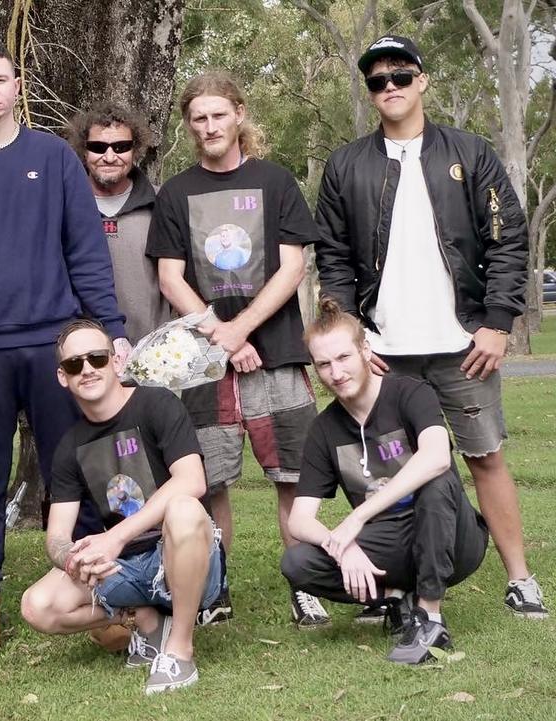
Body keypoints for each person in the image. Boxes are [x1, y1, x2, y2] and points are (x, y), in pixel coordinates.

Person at [314, 35, 547, 619]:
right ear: (370, 93)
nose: (389, 87)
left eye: (400, 75)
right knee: (388, 469)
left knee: (484, 456)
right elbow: (335, 258)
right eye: (377, 80)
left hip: (461, 345)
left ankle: (519, 578)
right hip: (383, 352)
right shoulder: (346, 164)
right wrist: (350, 338)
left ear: (422, 80)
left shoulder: (471, 153)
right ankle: (392, 587)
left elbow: (508, 240)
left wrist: (497, 323)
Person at [0, 40, 129, 661]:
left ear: (17, 86)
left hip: (57, 346)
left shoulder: (55, 159)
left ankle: (94, 599)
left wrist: (109, 330)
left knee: (79, 470)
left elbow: (86, 251)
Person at [146, 70, 326, 629]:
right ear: (189, 125)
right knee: (211, 481)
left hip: (276, 354)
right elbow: (171, 279)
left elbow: (293, 265)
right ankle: (215, 589)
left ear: (239, 114)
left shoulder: (275, 182)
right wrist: (221, 337)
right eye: (198, 118)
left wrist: (242, 330)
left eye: (218, 114)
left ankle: (304, 581)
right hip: (205, 366)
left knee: (292, 476)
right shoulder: (177, 192)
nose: (209, 126)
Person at [19, 319, 222, 695]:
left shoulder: (156, 402)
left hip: (181, 551)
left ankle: (179, 650)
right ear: (62, 376)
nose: (88, 369)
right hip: (125, 566)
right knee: (38, 605)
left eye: (96, 358)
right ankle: (146, 621)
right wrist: (72, 558)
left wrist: (113, 538)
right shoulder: (69, 446)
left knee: (183, 509)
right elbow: (57, 535)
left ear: (115, 361)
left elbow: (192, 481)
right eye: (74, 364)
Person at [281, 299, 489, 663]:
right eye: (324, 364)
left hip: (452, 535)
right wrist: (343, 548)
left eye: (343, 357)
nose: (336, 372)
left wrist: (357, 518)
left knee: (435, 482)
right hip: (390, 541)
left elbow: (437, 456)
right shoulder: (325, 428)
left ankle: (429, 619)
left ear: (365, 350)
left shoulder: (409, 392)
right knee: (298, 563)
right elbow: (300, 520)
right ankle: (395, 598)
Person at [67, 102, 172, 344]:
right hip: (85, 357)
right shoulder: (63, 207)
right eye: (98, 147)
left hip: (153, 352)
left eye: (121, 147)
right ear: (84, 151)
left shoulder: (163, 203)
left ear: (136, 151)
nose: (110, 156)